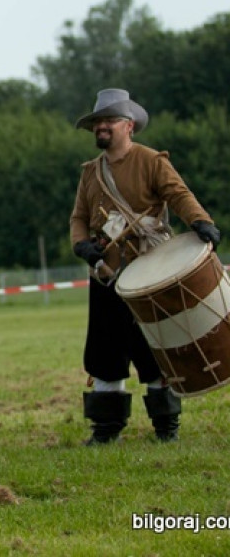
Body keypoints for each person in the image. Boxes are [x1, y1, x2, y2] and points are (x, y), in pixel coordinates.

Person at [69, 88, 221, 445]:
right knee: (105, 349)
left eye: (108, 121)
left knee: (155, 349)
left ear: (129, 126)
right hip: (106, 273)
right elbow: (78, 216)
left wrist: (201, 221)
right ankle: (106, 430)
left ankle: (165, 427)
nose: (101, 127)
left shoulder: (152, 160)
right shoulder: (90, 172)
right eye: (97, 122)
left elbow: (179, 195)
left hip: (150, 272)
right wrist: (80, 244)